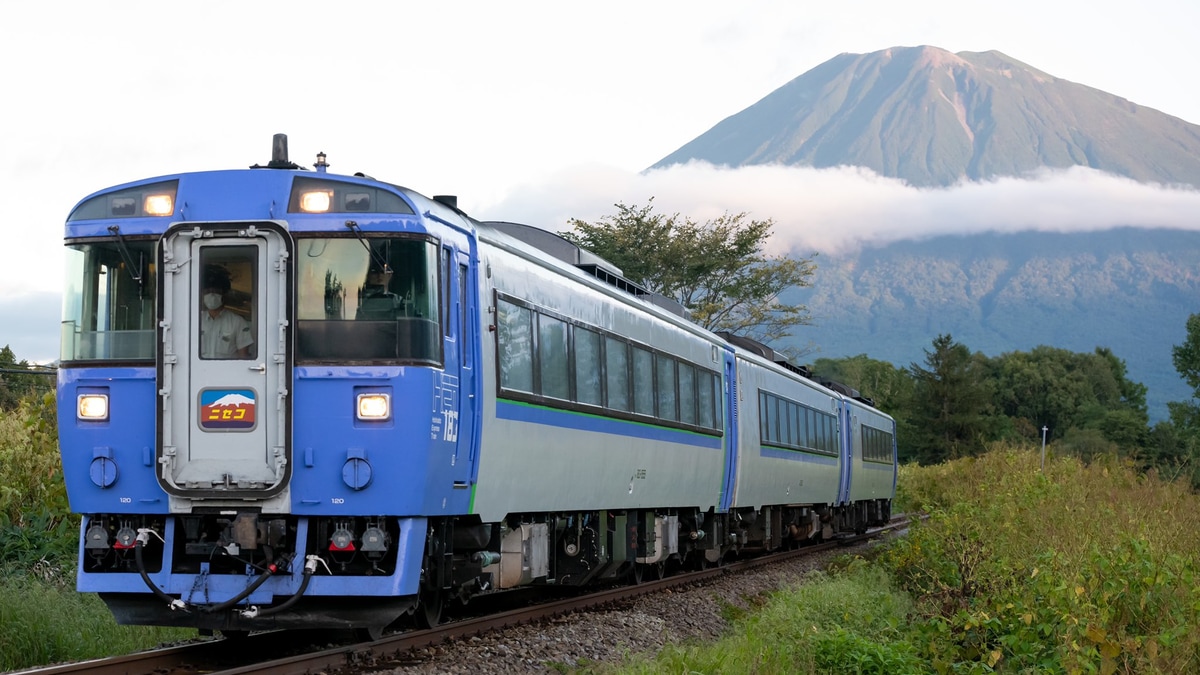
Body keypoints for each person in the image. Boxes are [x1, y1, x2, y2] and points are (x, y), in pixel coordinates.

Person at [200, 266, 254, 359]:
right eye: (207, 291)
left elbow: (243, 357)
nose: (212, 295)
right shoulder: (195, 321)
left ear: (224, 294)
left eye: (216, 291)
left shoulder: (237, 322)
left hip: (228, 372)